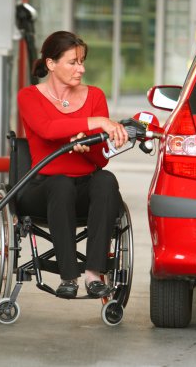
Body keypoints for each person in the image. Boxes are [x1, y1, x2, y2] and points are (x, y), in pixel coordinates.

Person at [17, 31, 128, 299]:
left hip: (84, 191)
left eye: (82, 61)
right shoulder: (29, 96)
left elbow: (101, 159)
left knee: (106, 179)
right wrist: (96, 122)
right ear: (51, 63)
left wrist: (87, 147)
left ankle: (93, 274)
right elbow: (47, 129)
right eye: (73, 62)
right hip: (43, 190)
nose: (82, 68)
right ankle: (69, 276)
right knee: (61, 184)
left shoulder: (94, 96)